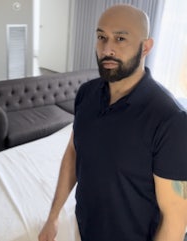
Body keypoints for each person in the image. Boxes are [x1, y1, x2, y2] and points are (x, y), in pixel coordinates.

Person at [39, 4, 187, 241]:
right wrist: (53, 216)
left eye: (120, 39)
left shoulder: (169, 119)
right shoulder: (86, 94)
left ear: (146, 47)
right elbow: (74, 152)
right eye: (101, 37)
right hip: (86, 226)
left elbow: (175, 222)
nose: (107, 49)